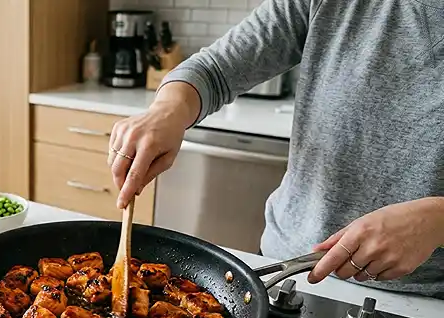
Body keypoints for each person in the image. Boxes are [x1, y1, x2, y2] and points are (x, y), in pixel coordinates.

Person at [107, 0, 443, 297]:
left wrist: (437, 219)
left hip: (423, 298)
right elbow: (216, 69)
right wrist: (168, 110)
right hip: (286, 267)